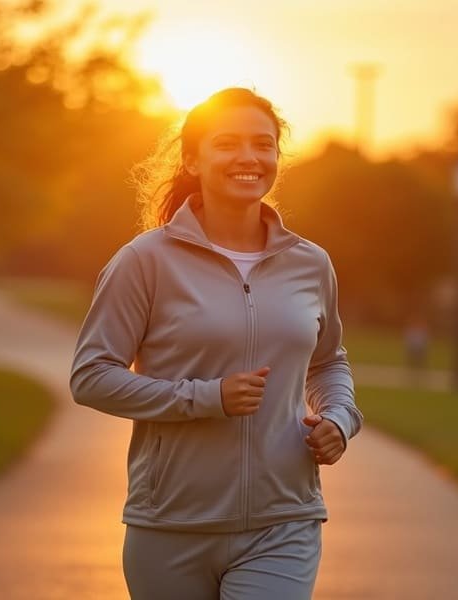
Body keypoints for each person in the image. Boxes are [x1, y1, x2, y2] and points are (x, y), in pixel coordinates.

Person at [70, 87, 363, 600]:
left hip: (283, 521)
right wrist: (205, 398)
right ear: (192, 158)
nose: (249, 157)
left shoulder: (310, 263)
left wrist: (339, 418)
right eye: (227, 143)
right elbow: (91, 376)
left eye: (263, 144)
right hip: (170, 524)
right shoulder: (146, 261)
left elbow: (328, 361)